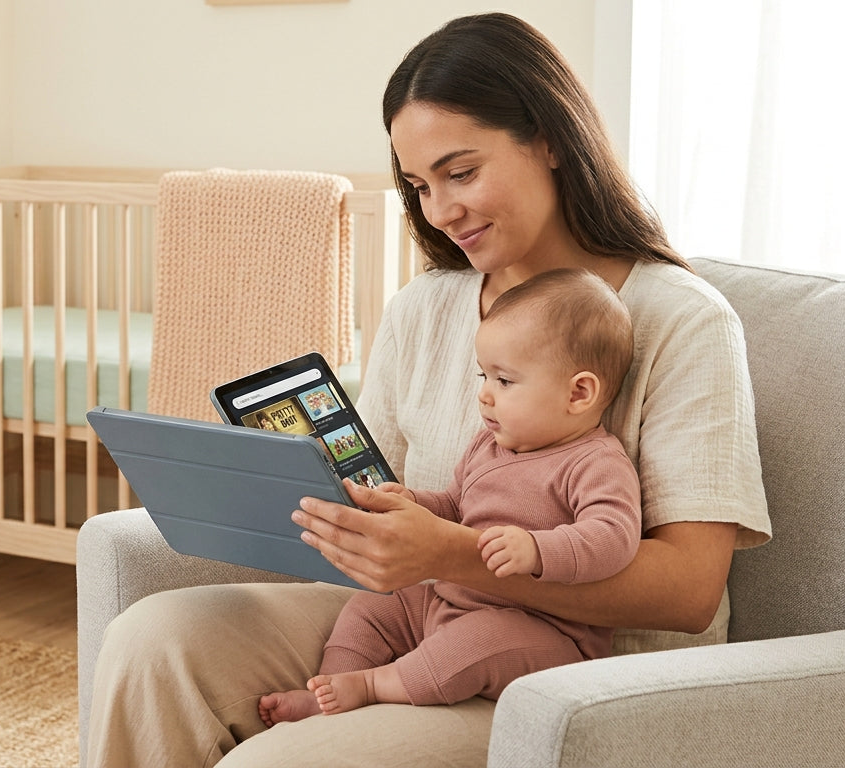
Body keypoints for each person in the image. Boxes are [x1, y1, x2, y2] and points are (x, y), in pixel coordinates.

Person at [87, 12, 771, 768]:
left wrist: (455, 555)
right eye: (419, 184)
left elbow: (690, 591)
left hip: (575, 674)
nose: (441, 211)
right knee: (151, 642)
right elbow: (399, 509)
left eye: (461, 172)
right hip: (423, 618)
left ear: (547, 139)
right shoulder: (425, 307)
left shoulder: (681, 320)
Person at [260, 268, 641, 724]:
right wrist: (414, 503)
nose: (483, 395)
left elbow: (613, 537)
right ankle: (329, 689)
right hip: (451, 600)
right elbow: (455, 507)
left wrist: (538, 550)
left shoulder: (595, 461)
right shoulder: (489, 445)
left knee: (477, 643)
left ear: (579, 392)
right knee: (372, 607)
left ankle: (373, 685)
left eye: (504, 381)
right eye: (484, 375)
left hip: (544, 632)